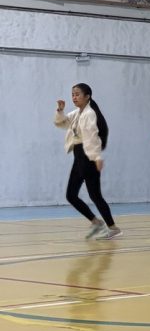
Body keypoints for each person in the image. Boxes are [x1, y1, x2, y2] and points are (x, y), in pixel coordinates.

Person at [54, 83, 123, 240]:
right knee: (71, 195)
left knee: (95, 196)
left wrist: (96, 157)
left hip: (88, 157)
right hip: (79, 157)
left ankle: (113, 228)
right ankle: (96, 222)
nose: (74, 97)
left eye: (77, 94)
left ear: (87, 96)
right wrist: (60, 110)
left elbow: (92, 137)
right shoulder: (78, 113)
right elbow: (62, 123)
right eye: (73, 94)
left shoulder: (89, 114)